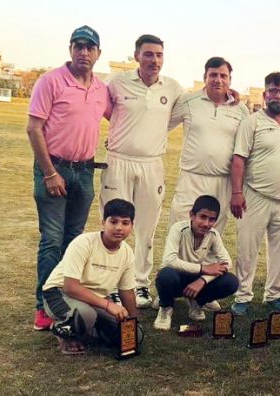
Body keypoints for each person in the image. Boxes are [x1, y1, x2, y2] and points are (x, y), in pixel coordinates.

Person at [27, 25, 109, 330]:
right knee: (51, 241)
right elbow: (34, 129)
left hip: (85, 171)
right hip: (55, 169)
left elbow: (125, 114)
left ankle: (66, 300)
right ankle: (43, 307)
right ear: (70, 49)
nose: (83, 52)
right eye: (78, 46)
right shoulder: (50, 81)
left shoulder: (101, 89)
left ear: (98, 54)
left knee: (74, 243)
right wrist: (50, 173)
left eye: (90, 47)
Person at [100, 34, 185, 308]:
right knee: (115, 225)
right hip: (118, 161)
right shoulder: (116, 82)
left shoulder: (172, 87)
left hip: (151, 164)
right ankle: (111, 285)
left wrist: (228, 95)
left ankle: (140, 285)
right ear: (136, 55)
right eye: (148, 54)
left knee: (146, 229)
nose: (154, 60)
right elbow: (101, 107)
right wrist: (119, 133)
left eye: (159, 55)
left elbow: (187, 110)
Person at [230, 72, 280, 315]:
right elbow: (239, 159)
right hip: (255, 195)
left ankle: (275, 295)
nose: (277, 95)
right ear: (265, 94)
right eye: (273, 91)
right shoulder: (253, 121)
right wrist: (237, 192)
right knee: (248, 248)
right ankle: (242, 296)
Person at [42, 199, 141, 355]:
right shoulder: (84, 242)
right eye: (113, 221)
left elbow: (127, 291)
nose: (119, 228)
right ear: (103, 222)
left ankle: (87, 329)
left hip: (94, 300)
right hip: (58, 293)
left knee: (133, 337)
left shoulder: (127, 253)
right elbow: (70, 287)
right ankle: (61, 330)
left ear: (132, 226)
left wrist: (133, 323)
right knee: (85, 315)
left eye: (125, 223)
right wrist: (109, 306)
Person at [167, 57, 250, 233]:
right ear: (205, 76)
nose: (218, 80)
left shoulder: (241, 110)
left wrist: (237, 191)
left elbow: (245, 149)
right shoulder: (188, 101)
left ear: (230, 80)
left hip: (222, 182)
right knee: (180, 230)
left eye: (223, 76)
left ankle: (205, 262)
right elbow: (160, 127)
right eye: (213, 75)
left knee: (211, 235)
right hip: (191, 178)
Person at [154, 195, 239, 330]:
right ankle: (165, 306)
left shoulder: (213, 235)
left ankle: (197, 302)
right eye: (203, 217)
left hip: (196, 280)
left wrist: (202, 280)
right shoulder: (178, 229)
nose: (206, 223)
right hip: (176, 277)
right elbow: (169, 260)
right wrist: (203, 268)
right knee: (166, 275)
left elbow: (227, 263)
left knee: (231, 281)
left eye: (211, 219)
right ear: (192, 215)